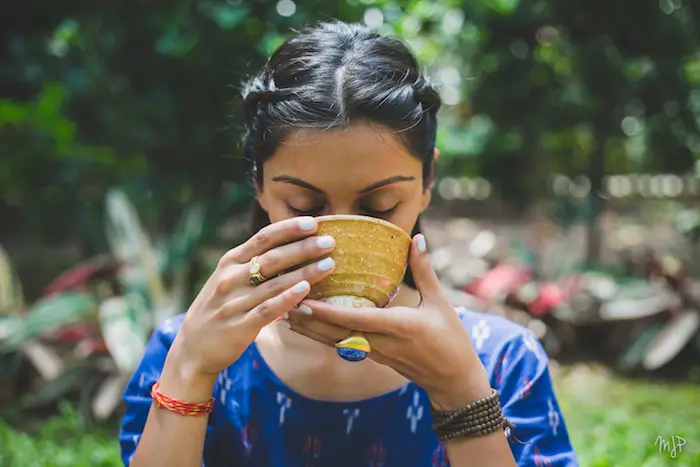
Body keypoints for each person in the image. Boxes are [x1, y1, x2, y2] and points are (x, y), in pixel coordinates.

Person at [120, 21, 577, 467]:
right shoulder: (190, 350)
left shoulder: (501, 362)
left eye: (380, 206)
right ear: (258, 184)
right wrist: (190, 371)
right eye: (303, 206)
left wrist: (461, 393)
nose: (337, 238)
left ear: (427, 181)